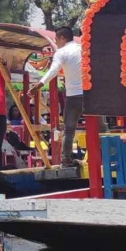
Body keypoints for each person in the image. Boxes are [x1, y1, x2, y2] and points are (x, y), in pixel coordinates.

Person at [30, 24, 83, 168]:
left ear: (62, 38)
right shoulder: (83, 49)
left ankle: (66, 159)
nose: (56, 43)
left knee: (69, 128)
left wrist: (39, 84)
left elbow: (53, 70)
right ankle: (106, 156)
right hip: (91, 94)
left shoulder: (62, 52)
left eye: (56, 39)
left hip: (74, 96)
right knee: (100, 127)